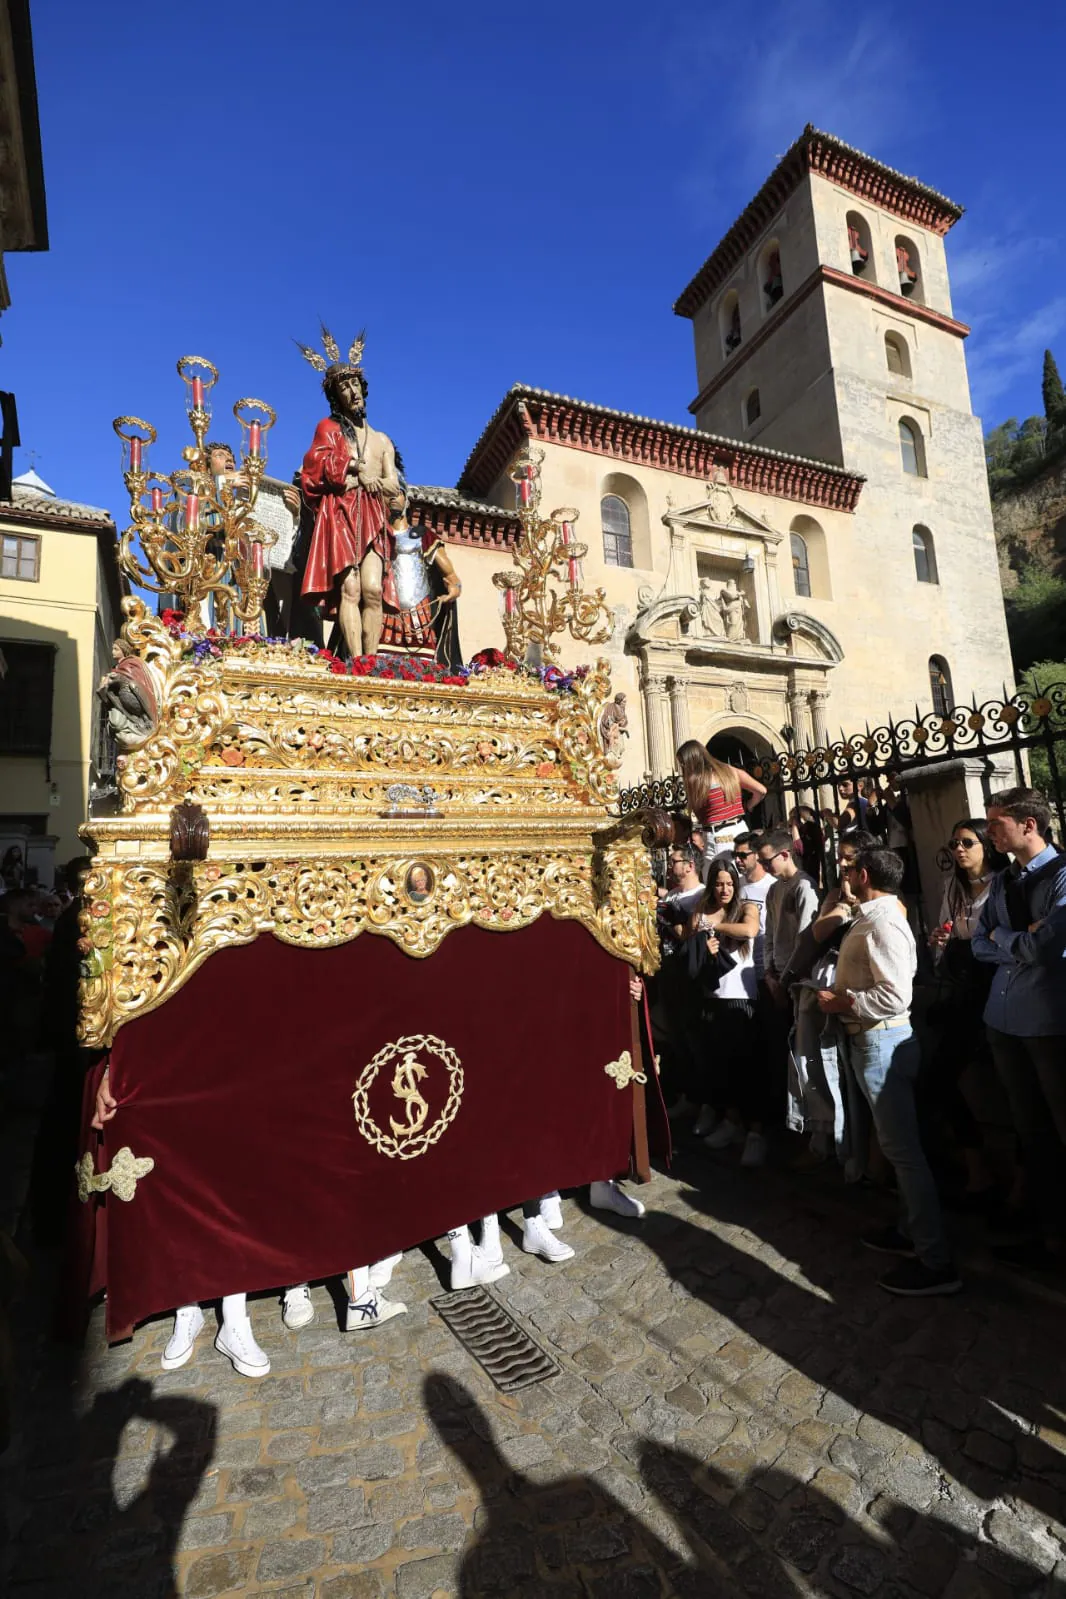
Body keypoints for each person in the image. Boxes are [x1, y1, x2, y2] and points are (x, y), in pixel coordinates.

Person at [817, 847, 960, 1296]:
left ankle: (935, 1260)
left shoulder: (883, 921)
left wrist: (846, 1002)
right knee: (896, 1145)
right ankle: (909, 1231)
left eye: (847, 871)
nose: (843, 877)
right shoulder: (871, 915)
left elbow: (896, 995)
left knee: (904, 1151)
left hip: (882, 1042)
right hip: (870, 1041)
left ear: (863, 875)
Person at [92, 1069, 272, 1377]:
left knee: (230, 1166)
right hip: (156, 1051)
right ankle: (186, 1304)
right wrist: (111, 1070)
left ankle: (234, 1316)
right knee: (170, 1170)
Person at [972, 787, 1066, 1265]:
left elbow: (1044, 949)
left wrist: (1002, 938)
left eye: (996, 823)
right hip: (1002, 1017)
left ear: (1028, 825)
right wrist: (1012, 938)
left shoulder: (1062, 875)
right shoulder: (1004, 880)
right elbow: (977, 943)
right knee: (1028, 1129)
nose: (989, 831)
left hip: (1047, 1022)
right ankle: (1049, 1229)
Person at [298, 332, 404, 661]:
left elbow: (396, 490)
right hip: (341, 512)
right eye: (344, 387)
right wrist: (356, 467)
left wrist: (377, 484)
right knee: (351, 589)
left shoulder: (382, 440)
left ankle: (370, 663)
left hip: (372, 514)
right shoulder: (328, 428)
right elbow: (315, 466)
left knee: (372, 590)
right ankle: (355, 662)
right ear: (336, 396)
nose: (352, 391)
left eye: (355, 384)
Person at [923, 819, 1006, 1204]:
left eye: (967, 842)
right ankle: (976, 1165)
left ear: (986, 846)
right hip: (960, 992)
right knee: (940, 1077)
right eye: (954, 842)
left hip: (994, 989)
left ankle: (1014, 1177)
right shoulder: (952, 888)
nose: (958, 849)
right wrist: (939, 940)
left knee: (1007, 1086)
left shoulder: (1003, 886)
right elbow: (942, 942)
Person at [692, 856, 764, 1165]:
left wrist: (714, 925)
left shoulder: (746, 906)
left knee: (748, 1070)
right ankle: (731, 1123)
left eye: (730, 883)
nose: (724, 889)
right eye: (719, 883)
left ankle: (756, 1134)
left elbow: (748, 931)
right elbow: (690, 935)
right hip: (712, 998)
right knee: (721, 1067)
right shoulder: (702, 909)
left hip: (741, 999)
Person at [654, 844, 711, 1124]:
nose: (669, 865)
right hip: (668, 971)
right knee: (675, 1038)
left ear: (689, 865)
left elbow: (687, 932)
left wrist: (666, 912)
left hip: (689, 976)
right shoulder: (674, 895)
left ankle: (705, 1103)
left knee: (694, 1040)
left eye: (674, 860)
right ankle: (687, 1097)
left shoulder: (700, 896)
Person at [378, 495, 463, 671]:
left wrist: (455, 588)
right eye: (387, 494)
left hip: (417, 610)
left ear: (407, 501)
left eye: (398, 492)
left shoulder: (423, 536)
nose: (392, 498)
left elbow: (451, 575)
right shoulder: (376, 535)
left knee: (423, 664)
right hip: (384, 608)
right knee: (378, 658)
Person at [676, 740, 766, 857]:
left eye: (683, 763)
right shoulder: (731, 771)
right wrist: (748, 805)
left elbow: (699, 815)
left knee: (713, 873)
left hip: (716, 835)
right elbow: (761, 791)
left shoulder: (696, 781)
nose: (683, 768)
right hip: (739, 830)